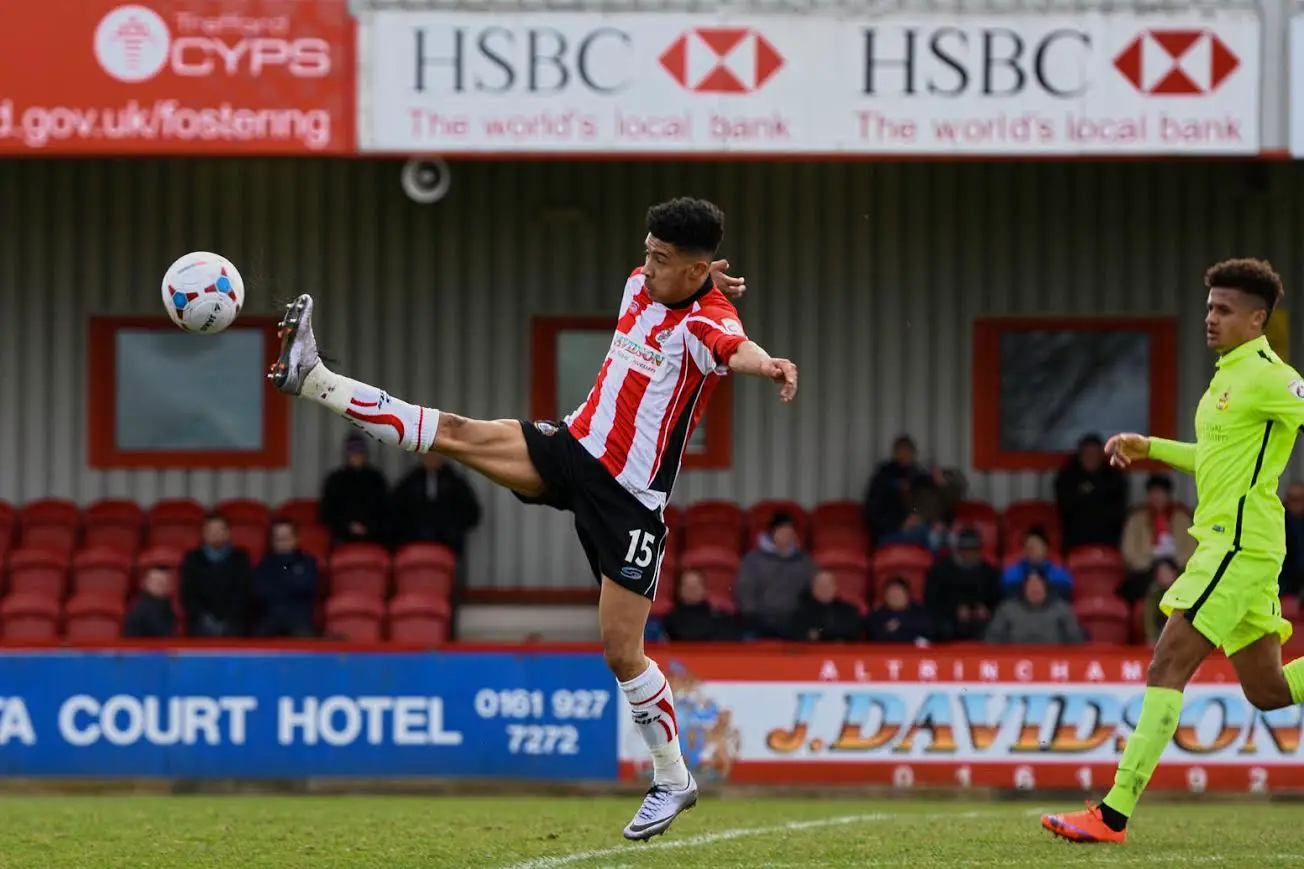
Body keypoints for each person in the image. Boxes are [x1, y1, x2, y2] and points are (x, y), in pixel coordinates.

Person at [267, 197, 797, 841]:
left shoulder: (705, 322)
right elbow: (681, 283)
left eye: (662, 258)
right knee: (458, 434)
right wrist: (701, 274)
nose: (646, 265)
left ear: (693, 269)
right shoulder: (643, 283)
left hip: (628, 502)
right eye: (648, 250)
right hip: (571, 449)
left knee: (621, 652)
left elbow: (733, 345)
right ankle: (316, 377)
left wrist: (767, 363)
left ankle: (674, 779)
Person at [1043, 259, 1304, 844]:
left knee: (1167, 664)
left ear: (1257, 318)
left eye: (1223, 309)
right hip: (1240, 547)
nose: (1209, 318)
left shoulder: (1270, 376)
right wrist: (1153, 446)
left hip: (1238, 547)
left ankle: (1112, 814)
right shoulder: (1227, 375)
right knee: (1268, 691)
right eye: (1209, 307)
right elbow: (1214, 458)